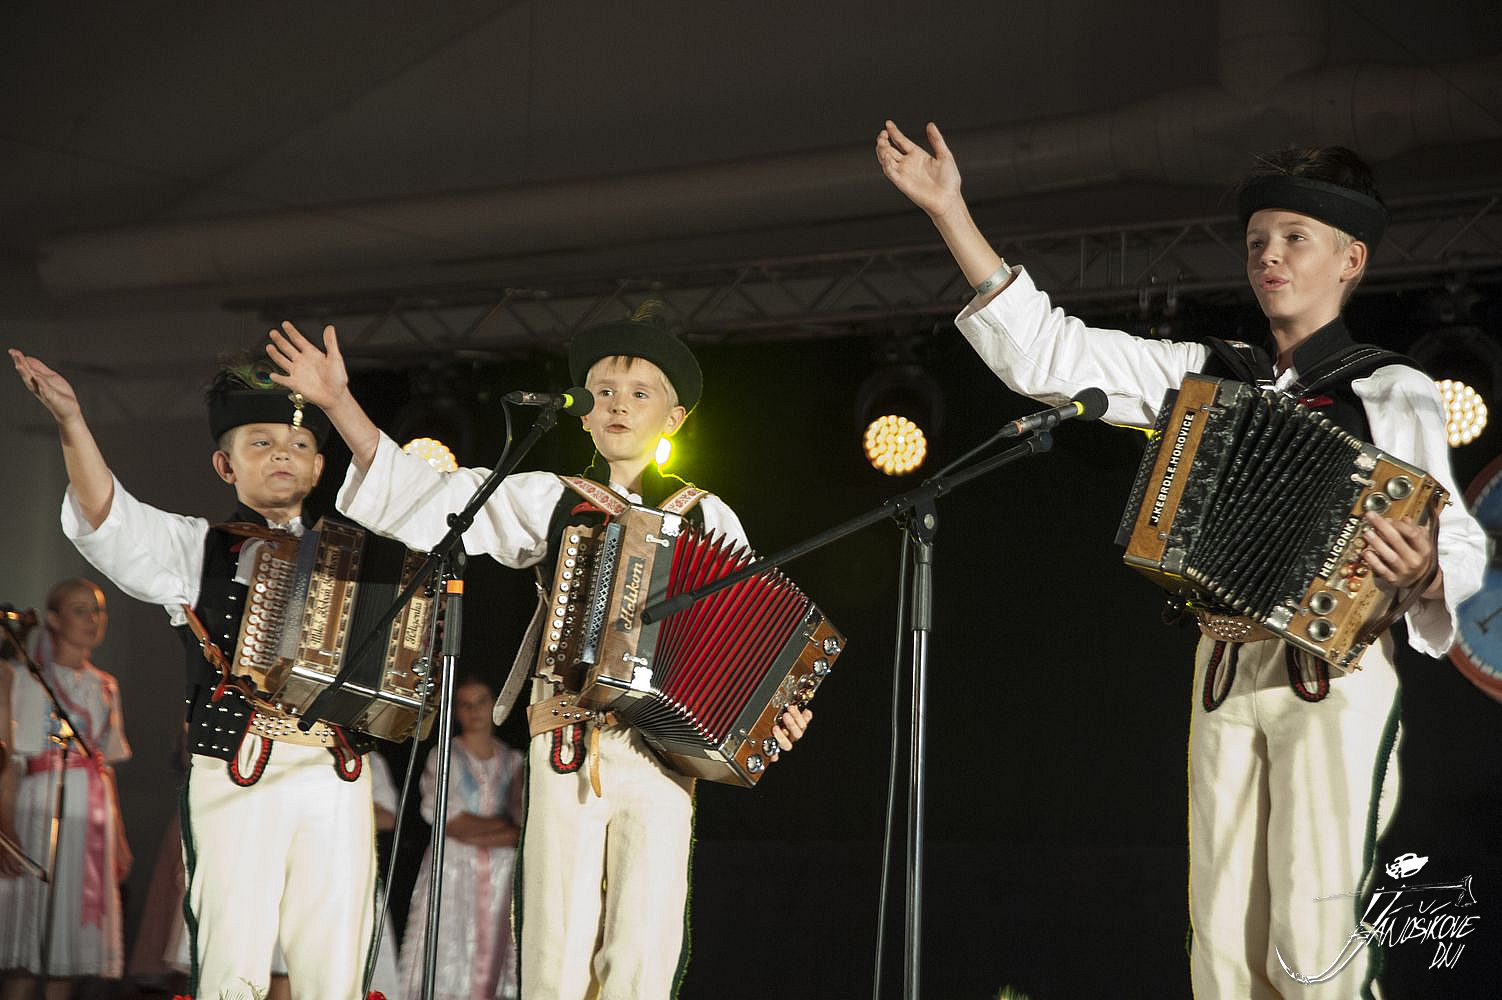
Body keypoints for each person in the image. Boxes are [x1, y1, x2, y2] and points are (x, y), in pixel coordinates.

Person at [875, 122, 1488, 999]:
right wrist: (950, 212)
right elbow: (1050, 353)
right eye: (1258, 240)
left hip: (1334, 672)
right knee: (1220, 945)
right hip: (1224, 665)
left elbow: (1455, 541)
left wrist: (1423, 570)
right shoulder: (1206, 371)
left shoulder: (1391, 389)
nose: (1268, 256)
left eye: (1295, 238)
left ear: (1351, 259)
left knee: (1313, 932)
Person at [262, 306, 813, 999]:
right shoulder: (551, 499)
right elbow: (431, 497)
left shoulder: (708, 515)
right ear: (582, 413)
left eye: (639, 393)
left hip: (664, 755)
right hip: (567, 740)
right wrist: (340, 403)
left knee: (645, 944)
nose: (618, 405)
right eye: (603, 392)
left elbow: (750, 636)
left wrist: (776, 712)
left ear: (674, 419)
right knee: (554, 941)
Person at [8, 350, 378, 1000]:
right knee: (234, 948)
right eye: (259, 442)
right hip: (241, 760)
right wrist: (71, 422)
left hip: (336, 766)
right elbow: (105, 514)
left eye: (298, 444)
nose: (282, 453)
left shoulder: (360, 556)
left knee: (336, 955)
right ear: (225, 465)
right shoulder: (196, 546)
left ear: (321, 466)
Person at [0, 579, 131, 1000]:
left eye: (98, 611)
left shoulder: (105, 685)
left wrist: (119, 838)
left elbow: (105, 766)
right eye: (79, 610)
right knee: (30, 949)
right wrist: (5, 827)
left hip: (91, 817)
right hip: (42, 811)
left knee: (66, 955)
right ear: (54, 620)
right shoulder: (27, 680)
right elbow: (12, 763)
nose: (92, 619)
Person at [397, 676, 524, 1000]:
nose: (474, 710)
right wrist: (501, 828)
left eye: (481, 701)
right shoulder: (445, 755)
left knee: (498, 944)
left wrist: (490, 831)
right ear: (455, 711)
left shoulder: (514, 760)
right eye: (465, 704)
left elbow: (521, 828)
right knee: (449, 945)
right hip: (453, 866)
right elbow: (448, 820)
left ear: (493, 705)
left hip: (501, 871)